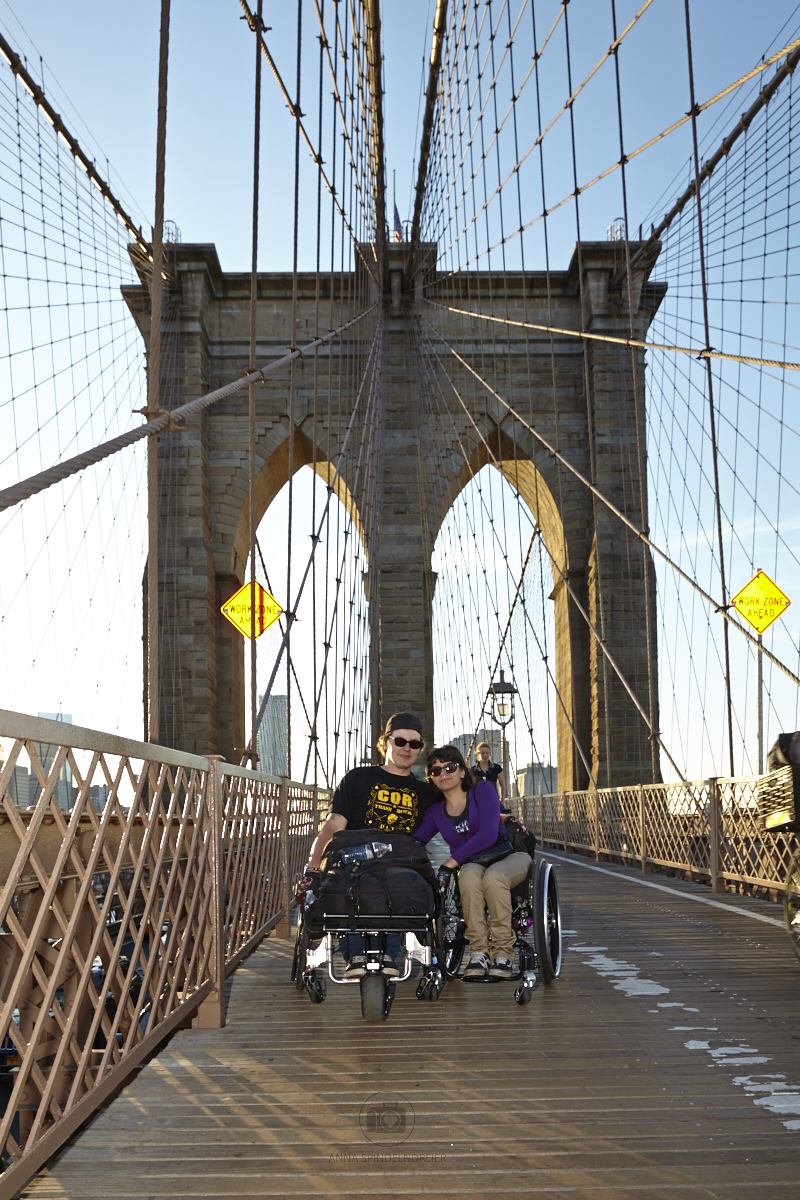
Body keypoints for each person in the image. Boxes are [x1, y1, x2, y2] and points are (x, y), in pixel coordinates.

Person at [297, 711, 435, 979]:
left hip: (398, 860)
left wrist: (499, 817)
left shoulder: (425, 792)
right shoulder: (357, 778)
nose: (407, 748)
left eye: (415, 744)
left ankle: (388, 952)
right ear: (386, 743)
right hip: (355, 857)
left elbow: (457, 810)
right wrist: (313, 868)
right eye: (400, 741)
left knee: (402, 883)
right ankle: (357, 953)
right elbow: (335, 824)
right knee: (351, 882)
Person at [412, 745, 530, 980]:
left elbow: (487, 835)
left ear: (462, 772)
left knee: (494, 877)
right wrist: (383, 846)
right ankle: (479, 951)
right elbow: (416, 841)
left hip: (509, 856)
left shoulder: (483, 790)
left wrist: (448, 863)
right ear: (432, 779)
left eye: (450, 767)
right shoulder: (435, 812)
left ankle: (503, 952)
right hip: (473, 864)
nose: (443, 773)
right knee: (467, 876)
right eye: (436, 771)